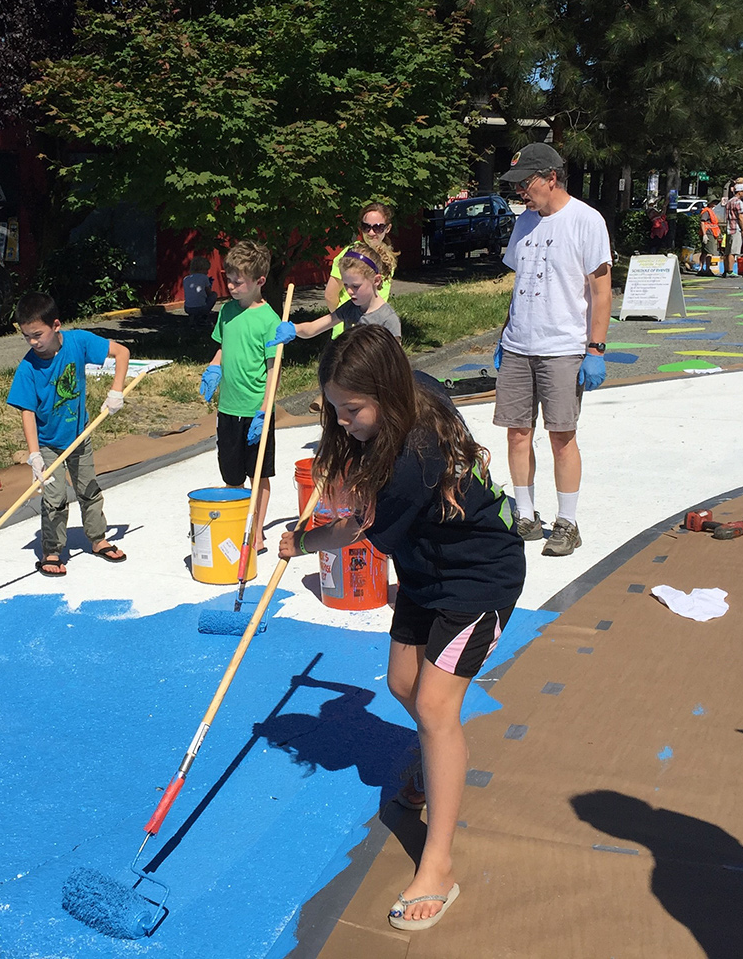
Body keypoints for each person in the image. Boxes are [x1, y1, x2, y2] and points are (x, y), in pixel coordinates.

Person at [277, 325, 525, 931]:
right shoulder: (413, 388)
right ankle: (433, 761)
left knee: (438, 707)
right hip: (426, 567)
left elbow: (352, 530)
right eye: (333, 409)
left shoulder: (412, 463)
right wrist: (340, 421)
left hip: (478, 578)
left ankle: (436, 863)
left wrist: (302, 541)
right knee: (401, 685)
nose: (343, 422)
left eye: (352, 410)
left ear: (385, 394)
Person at [492, 141, 612, 556]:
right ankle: (525, 514)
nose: (522, 193)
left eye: (527, 183)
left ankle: (567, 522)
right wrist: (504, 336)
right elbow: (520, 283)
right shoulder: (524, 223)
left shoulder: (586, 220)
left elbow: (600, 289)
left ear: (552, 178)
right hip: (519, 345)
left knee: (562, 435)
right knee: (517, 433)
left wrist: (596, 349)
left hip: (563, 346)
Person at [7, 292, 130, 576]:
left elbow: (122, 352)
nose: (33, 342)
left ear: (56, 325)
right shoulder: (28, 368)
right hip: (48, 443)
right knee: (54, 498)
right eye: (27, 337)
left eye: (38, 334)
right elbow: (26, 411)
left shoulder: (79, 343)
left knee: (88, 489)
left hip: (79, 434)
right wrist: (34, 454)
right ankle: (51, 550)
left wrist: (116, 390)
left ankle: (98, 539)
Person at [201, 239, 283, 548]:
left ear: (259, 282)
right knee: (231, 473)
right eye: (229, 278)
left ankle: (257, 528)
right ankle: (238, 522)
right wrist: (213, 368)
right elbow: (223, 347)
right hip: (228, 408)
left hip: (256, 410)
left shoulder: (269, 320)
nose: (232, 286)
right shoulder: (227, 311)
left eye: (238, 281)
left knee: (258, 474)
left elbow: (273, 369)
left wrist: (265, 410)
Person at [269, 242, 402, 344]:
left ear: (377, 280)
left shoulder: (388, 319)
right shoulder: (350, 308)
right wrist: (294, 329)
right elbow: (313, 328)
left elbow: (396, 364)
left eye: (356, 286)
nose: (349, 291)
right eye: (345, 285)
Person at [325, 202, 396, 336]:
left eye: (378, 227)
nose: (371, 232)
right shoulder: (350, 255)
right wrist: (344, 319)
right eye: (366, 227)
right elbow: (330, 295)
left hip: (374, 331)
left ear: (388, 228)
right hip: (349, 333)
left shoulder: (387, 258)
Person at [722, 179, 743, 277]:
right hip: (736, 228)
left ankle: (725, 270)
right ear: (740, 192)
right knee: (733, 251)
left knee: (727, 251)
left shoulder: (729, 201)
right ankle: (730, 271)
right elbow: (740, 217)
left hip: (729, 227)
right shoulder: (739, 202)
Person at [181, 256, 216, 326]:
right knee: (214, 295)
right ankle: (203, 316)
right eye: (206, 270)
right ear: (202, 269)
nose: (207, 272)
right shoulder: (204, 278)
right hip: (201, 308)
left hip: (187, 308)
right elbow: (209, 293)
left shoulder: (186, 278)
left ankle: (192, 317)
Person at [698, 198, 722, 275]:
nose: (716, 204)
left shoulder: (712, 211)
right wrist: (704, 234)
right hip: (708, 233)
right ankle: (705, 269)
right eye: (714, 202)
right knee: (709, 252)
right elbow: (702, 223)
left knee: (705, 252)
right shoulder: (707, 211)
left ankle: (703, 269)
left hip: (712, 233)